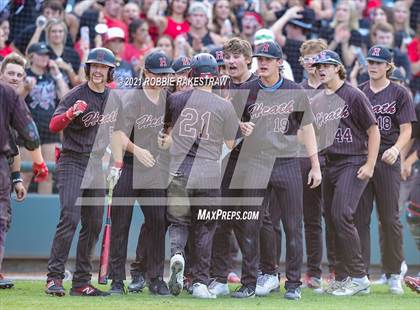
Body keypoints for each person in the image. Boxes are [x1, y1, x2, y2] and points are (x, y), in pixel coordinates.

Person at [231, 40, 321, 300]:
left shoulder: (295, 91)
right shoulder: (247, 89)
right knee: (251, 224)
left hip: (287, 162)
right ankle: (249, 282)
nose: (262, 63)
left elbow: (307, 129)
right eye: (259, 59)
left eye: (267, 59)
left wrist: (315, 166)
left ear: (279, 62)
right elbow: (231, 120)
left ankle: (293, 284)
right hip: (256, 161)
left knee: (293, 226)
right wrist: (240, 125)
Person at [162, 53, 238, 299]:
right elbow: (229, 142)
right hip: (207, 172)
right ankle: (200, 283)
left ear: (192, 75)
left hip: (179, 170)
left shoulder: (175, 99)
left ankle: (177, 254)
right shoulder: (224, 105)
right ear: (214, 77)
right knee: (205, 227)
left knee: (179, 222)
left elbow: (166, 133)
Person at [45, 47, 117, 297]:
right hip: (72, 161)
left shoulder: (112, 97)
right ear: (88, 68)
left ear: (110, 71)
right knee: (70, 218)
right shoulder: (76, 94)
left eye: (103, 67)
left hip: (96, 164)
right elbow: (54, 125)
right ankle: (54, 278)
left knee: (95, 223)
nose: (98, 71)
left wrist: (116, 161)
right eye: (94, 66)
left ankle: (81, 282)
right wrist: (70, 113)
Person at [311, 50, 380, 296]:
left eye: (327, 65)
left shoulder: (354, 95)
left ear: (338, 68)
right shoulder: (317, 100)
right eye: (318, 66)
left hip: (353, 161)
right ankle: (341, 276)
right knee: (330, 219)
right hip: (330, 163)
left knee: (341, 214)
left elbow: (374, 131)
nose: (321, 69)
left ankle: (359, 277)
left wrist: (371, 164)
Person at [106, 51, 174, 296]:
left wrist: (167, 140)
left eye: (164, 74)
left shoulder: (169, 98)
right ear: (146, 72)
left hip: (153, 168)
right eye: (157, 73)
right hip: (129, 166)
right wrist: (137, 150)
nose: (161, 78)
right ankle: (116, 280)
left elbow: (170, 130)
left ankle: (155, 278)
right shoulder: (132, 98)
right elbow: (118, 134)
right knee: (121, 224)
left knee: (158, 221)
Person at [355, 45, 416, 295]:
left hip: (388, 159)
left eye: (378, 62)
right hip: (361, 159)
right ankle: (360, 276)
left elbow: (407, 129)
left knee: (389, 218)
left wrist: (398, 150)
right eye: (370, 61)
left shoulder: (400, 93)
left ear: (388, 65)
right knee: (358, 218)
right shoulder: (359, 92)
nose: (373, 65)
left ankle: (393, 274)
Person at [209, 37, 258, 298]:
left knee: (250, 222)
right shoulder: (220, 87)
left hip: (252, 163)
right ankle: (218, 277)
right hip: (224, 161)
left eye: (235, 57)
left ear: (248, 59)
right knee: (221, 221)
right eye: (226, 58)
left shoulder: (259, 86)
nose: (230, 62)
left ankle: (251, 281)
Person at [0, 58, 41, 290]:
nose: (15, 78)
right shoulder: (9, 95)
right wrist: (39, 162)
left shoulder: (11, 97)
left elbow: (13, 147)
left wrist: (17, 179)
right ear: (1, 74)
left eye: (19, 75)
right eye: (11, 73)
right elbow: (31, 135)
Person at [298, 38, 328, 291]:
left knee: (329, 216)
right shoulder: (295, 90)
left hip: (330, 160)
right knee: (299, 219)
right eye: (307, 58)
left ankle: (328, 271)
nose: (311, 63)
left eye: (316, 58)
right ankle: (307, 273)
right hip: (297, 160)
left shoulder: (334, 89)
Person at [21, 42, 69, 194]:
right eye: (40, 54)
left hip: (50, 131)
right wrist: (26, 88)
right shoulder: (24, 74)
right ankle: (15, 214)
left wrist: (58, 74)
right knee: (25, 174)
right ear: (31, 56)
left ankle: (43, 216)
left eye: (46, 54)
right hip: (27, 129)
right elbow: (14, 102)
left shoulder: (52, 76)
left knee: (47, 174)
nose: (44, 57)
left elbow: (67, 99)